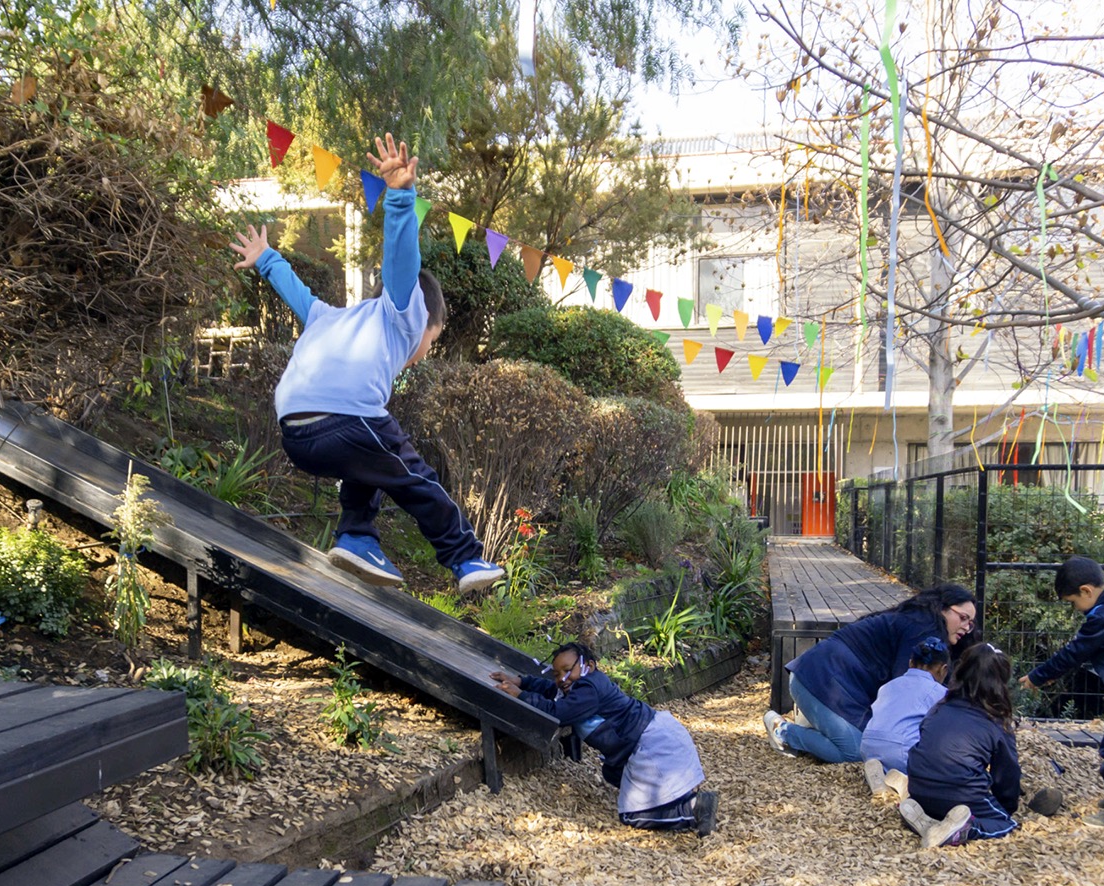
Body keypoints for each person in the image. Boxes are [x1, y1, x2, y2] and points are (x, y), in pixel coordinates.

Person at [229, 134, 503, 596]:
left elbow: (297, 293)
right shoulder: (403, 311)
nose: (424, 353)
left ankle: (357, 537)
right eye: (432, 342)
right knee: (414, 477)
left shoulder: (328, 317)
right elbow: (401, 261)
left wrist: (267, 259)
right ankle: (465, 557)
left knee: (370, 461)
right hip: (344, 418)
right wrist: (400, 197)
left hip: (295, 433)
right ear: (425, 321)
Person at [491, 642, 718, 836]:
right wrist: (523, 682)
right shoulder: (584, 684)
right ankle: (675, 798)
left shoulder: (588, 689)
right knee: (611, 772)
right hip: (656, 736)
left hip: (653, 745)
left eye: (567, 670)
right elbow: (552, 691)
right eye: (557, 674)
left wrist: (522, 695)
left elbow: (557, 712)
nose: (562, 679)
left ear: (588, 666)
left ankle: (691, 809)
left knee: (631, 815)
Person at [763, 583, 979, 764]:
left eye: (970, 623)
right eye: (963, 618)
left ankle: (820, 722)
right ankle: (784, 732)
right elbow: (909, 690)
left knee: (873, 743)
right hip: (819, 679)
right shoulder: (923, 628)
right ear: (943, 608)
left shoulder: (919, 622)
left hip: (832, 684)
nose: (966, 627)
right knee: (856, 751)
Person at [1020, 555, 1104, 829]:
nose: (1075, 609)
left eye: (1073, 602)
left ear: (1086, 590)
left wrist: (1038, 677)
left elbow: (1074, 653)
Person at [901, 642, 1021, 848]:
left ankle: (929, 820)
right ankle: (966, 829)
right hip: (961, 793)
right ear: (1000, 682)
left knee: (942, 803)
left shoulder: (939, 707)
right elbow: (1007, 774)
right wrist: (1005, 807)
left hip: (919, 789)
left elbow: (926, 743)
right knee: (1006, 824)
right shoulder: (997, 721)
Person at [860, 636, 951, 795]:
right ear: (944, 669)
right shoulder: (940, 692)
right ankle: (906, 783)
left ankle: (883, 776)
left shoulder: (888, 686)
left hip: (868, 746)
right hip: (902, 751)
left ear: (910, 663)